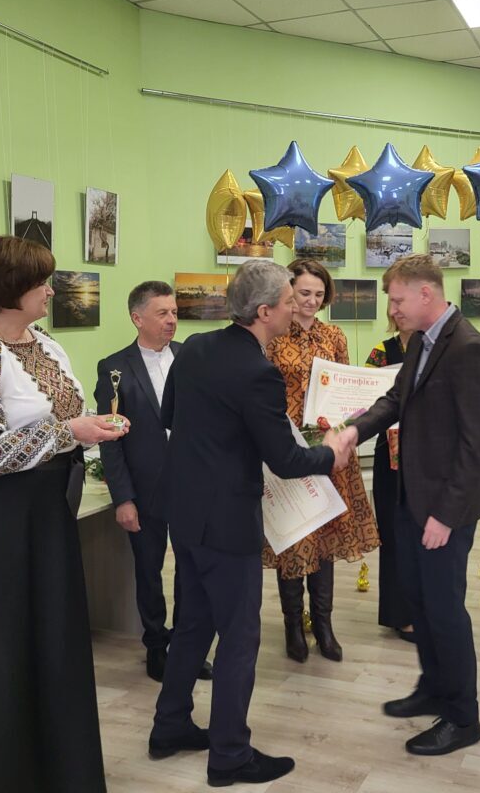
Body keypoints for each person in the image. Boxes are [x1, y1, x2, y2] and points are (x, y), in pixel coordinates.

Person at [0, 236, 127, 793]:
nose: (50, 291)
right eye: (40, 283)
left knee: (49, 645)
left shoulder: (44, 344)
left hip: (43, 515)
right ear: (8, 290)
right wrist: (71, 432)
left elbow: (62, 418)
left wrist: (90, 428)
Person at [148, 259, 352, 787]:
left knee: (193, 624)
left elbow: (171, 418)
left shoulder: (194, 349)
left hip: (185, 514)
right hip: (226, 521)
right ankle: (230, 756)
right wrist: (331, 453)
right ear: (264, 312)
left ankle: (169, 726)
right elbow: (286, 459)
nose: (296, 307)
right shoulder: (259, 372)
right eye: (288, 300)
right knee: (239, 638)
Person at [339, 254, 480, 757]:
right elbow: (395, 400)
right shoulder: (421, 342)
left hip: (445, 507)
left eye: (397, 299)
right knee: (421, 602)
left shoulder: (469, 349)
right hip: (414, 498)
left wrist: (445, 516)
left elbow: (475, 445)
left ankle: (463, 717)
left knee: (445, 611)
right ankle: (433, 687)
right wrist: (353, 431)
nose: (392, 309)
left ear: (426, 293)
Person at [263, 259, 380, 663]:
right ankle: (293, 626)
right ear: (288, 293)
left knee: (325, 539)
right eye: (303, 293)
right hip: (289, 450)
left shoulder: (334, 335)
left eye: (318, 294)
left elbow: (346, 388)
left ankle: (324, 625)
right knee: (295, 537)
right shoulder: (274, 335)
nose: (311, 301)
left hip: (330, 451)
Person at [95, 281, 211, 682]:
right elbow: (110, 441)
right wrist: (123, 499)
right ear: (137, 318)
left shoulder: (190, 357)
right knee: (149, 571)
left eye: (174, 312)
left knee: (191, 570)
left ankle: (186, 646)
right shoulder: (114, 368)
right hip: (144, 490)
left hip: (191, 485)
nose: (172, 320)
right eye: (162, 313)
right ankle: (156, 647)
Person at [364, 309, 415, 643]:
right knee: (394, 534)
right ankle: (400, 615)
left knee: (423, 537)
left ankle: (425, 610)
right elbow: (367, 400)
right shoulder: (382, 353)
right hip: (390, 454)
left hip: (427, 457)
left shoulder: (437, 351)